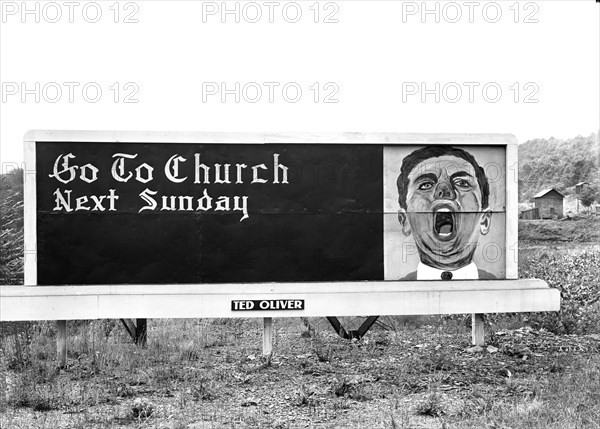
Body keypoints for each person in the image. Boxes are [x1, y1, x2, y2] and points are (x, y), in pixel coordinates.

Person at [396, 145, 496, 280]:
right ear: (405, 220)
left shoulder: (504, 292)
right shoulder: (386, 297)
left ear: (484, 220)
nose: (444, 190)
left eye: (462, 183)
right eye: (425, 185)